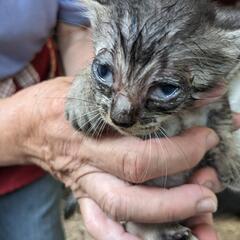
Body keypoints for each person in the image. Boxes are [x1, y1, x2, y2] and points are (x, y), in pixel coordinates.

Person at [0, 0, 236, 240]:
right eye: (106, 71)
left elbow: (76, 30)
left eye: (165, 88)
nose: (119, 115)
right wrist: (33, 124)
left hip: (30, 167)